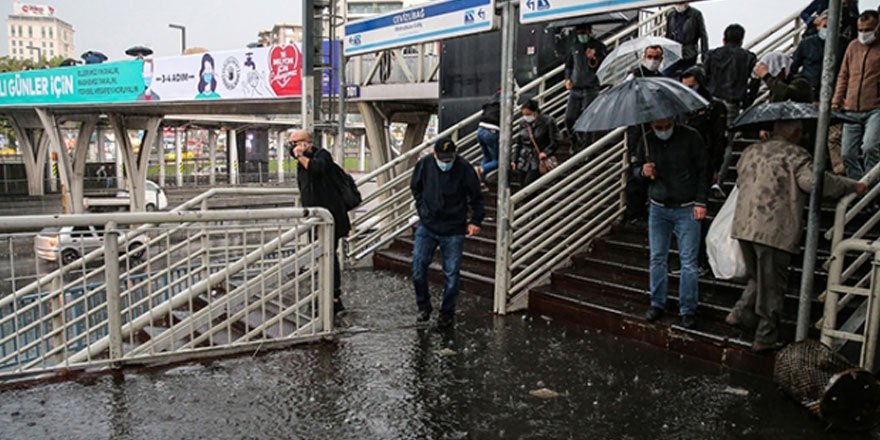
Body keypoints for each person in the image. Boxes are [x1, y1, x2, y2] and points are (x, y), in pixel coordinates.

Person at [728, 120, 865, 352]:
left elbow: (741, 181)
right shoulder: (795, 154)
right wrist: (852, 185)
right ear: (796, 134)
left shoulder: (751, 150)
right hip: (774, 229)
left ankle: (740, 312)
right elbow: (814, 182)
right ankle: (765, 337)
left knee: (758, 276)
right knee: (772, 286)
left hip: (744, 226)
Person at [633, 118, 709, 329]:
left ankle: (688, 308)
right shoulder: (647, 141)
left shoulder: (691, 137)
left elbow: (704, 169)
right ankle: (657, 303)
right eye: (658, 127)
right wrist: (643, 172)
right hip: (658, 206)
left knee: (688, 261)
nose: (663, 131)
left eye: (666, 127)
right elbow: (635, 169)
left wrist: (701, 200)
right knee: (657, 257)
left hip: (686, 205)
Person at [410, 138, 485, 329]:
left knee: (451, 275)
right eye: (442, 159)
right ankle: (423, 306)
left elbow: (476, 196)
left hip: (454, 228)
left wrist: (475, 220)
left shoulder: (464, 168)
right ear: (434, 154)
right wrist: (423, 209)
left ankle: (447, 313)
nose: (445, 163)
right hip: (428, 225)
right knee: (418, 268)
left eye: (448, 159)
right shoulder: (425, 165)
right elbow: (415, 187)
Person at [289, 130, 351, 315]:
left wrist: (300, 156)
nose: (292, 148)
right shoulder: (301, 162)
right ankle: (325, 291)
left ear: (307, 142)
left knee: (329, 255)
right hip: (315, 217)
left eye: (295, 143)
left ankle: (334, 296)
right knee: (320, 255)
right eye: (291, 144)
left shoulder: (321, 155)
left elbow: (317, 169)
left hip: (330, 216)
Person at [680, 66, 727, 274]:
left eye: (692, 86)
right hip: (682, 167)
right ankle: (690, 258)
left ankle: (702, 259)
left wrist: (716, 168)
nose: (689, 90)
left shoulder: (714, 107)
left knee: (698, 214)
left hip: (704, 166)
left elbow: (719, 140)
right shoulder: (681, 107)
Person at [834, 10, 880, 180]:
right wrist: (837, 99)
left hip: (875, 108)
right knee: (846, 154)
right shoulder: (853, 46)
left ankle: (871, 189)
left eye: (868, 29)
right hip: (851, 108)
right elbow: (843, 74)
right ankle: (858, 187)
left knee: (870, 147)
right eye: (860, 29)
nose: (863, 33)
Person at [623, 46, 666, 225]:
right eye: (649, 56)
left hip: (655, 127)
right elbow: (624, 96)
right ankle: (634, 211)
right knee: (636, 171)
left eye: (656, 57)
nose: (653, 60)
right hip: (636, 128)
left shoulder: (662, 80)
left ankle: (647, 208)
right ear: (643, 57)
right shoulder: (634, 76)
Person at [704, 24, 760, 128]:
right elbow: (755, 80)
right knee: (729, 134)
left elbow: (704, 76)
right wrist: (748, 100)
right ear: (741, 40)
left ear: (724, 39)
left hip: (712, 100)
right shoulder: (748, 57)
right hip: (733, 102)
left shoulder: (712, 55)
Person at [564, 24, 607, 152]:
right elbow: (568, 65)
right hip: (576, 88)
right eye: (578, 33)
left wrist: (594, 57)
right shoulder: (574, 46)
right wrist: (567, 78)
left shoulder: (598, 46)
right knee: (569, 118)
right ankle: (575, 140)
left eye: (583, 32)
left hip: (591, 87)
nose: (581, 35)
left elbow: (604, 64)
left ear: (589, 32)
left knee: (588, 117)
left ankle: (587, 147)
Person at [791, 10, 849, 101]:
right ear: (818, 26)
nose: (829, 30)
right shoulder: (806, 43)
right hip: (809, 92)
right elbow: (793, 66)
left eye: (832, 27)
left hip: (833, 92)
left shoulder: (845, 43)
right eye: (825, 26)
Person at [513, 100, 559, 188]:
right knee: (522, 185)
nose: (526, 116)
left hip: (538, 158)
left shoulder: (548, 121)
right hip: (524, 158)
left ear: (535, 112)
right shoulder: (523, 123)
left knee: (529, 184)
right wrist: (514, 159)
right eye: (524, 114)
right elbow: (519, 143)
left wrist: (546, 152)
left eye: (528, 114)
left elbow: (555, 140)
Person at [664, 2, 709, 76]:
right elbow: (668, 34)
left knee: (687, 76)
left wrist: (704, 56)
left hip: (689, 53)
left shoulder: (696, 14)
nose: (679, 5)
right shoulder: (671, 15)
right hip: (674, 53)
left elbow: (703, 35)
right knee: (666, 74)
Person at [476, 90, 501, 190]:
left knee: (487, 158)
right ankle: (480, 170)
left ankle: (480, 180)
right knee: (498, 161)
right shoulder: (502, 106)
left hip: (480, 130)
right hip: (492, 131)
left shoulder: (489, 105)